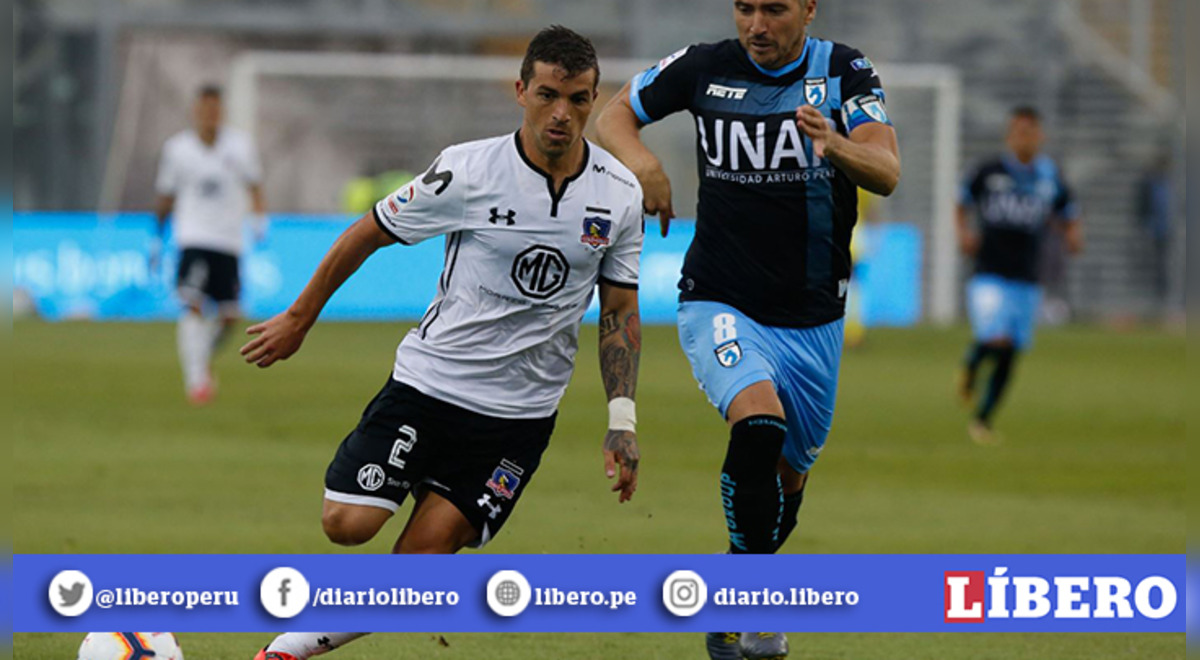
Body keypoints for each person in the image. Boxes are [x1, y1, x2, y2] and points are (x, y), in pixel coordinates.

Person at [242, 26, 644, 660]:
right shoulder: (467, 169)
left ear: (594, 99)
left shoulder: (620, 196)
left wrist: (621, 418)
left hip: (519, 417)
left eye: (579, 99)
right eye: (547, 95)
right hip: (431, 386)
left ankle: (283, 651)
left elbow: (620, 309)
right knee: (346, 525)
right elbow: (367, 233)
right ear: (520, 91)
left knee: (418, 564)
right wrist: (299, 317)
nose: (562, 114)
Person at [596, 1, 900, 658]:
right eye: (744, 8)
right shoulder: (705, 66)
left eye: (774, 9)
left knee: (788, 483)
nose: (756, 24)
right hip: (720, 296)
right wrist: (643, 164)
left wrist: (837, 143)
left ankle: (729, 592)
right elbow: (611, 115)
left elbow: (888, 172)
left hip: (815, 317)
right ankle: (760, 612)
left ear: (809, 9)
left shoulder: (846, 72)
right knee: (759, 426)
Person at [955, 106, 1083, 445]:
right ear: (1009, 135)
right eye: (1018, 131)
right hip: (989, 272)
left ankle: (982, 419)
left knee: (1011, 351)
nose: (1024, 138)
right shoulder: (989, 171)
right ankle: (971, 365)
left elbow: (1067, 210)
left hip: (1027, 276)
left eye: (1030, 132)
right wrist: (963, 232)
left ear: (1040, 136)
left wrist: (1072, 234)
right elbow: (961, 200)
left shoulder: (1048, 176)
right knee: (998, 338)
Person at [154, 85, 267, 404]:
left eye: (215, 109)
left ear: (221, 112)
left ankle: (199, 359)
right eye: (204, 109)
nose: (209, 116)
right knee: (192, 303)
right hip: (193, 237)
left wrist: (259, 219)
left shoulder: (240, 146)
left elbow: (255, 185)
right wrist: (156, 237)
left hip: (229, 240)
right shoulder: (177, 149)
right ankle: (196, 379)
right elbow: (166, 195)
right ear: (196, 111)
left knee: (231, 315)